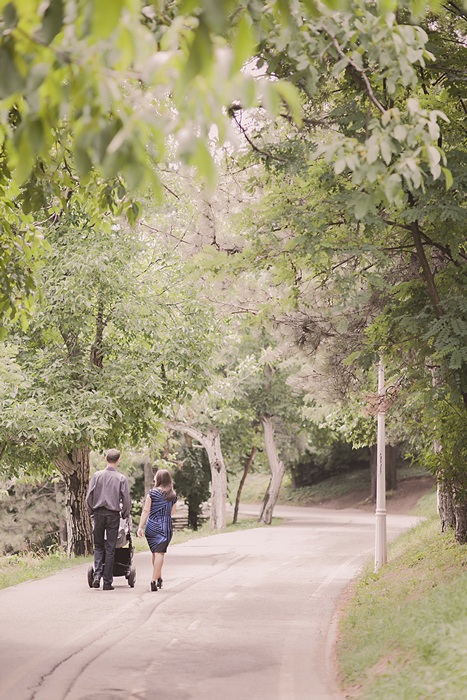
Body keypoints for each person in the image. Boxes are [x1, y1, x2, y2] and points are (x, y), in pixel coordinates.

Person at [86, 449, 131, 591]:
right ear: (118, 460)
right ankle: (107, 582)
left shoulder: (96, 476)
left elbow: (89, 496)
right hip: (113, 514)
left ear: (106, 459)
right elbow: (126, 499)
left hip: (99, 513)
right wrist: (124, 514)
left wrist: (91, 511)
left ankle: (97, 576)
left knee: (98, 546)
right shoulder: (121, 478)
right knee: (110, 548)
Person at [137, 469, 177, 592]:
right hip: (165, 526)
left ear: (159, 479)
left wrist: (140, 527)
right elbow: (172, 512)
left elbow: (146, 511)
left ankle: (158, 577)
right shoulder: (172, 495)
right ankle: (154, 580)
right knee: (160, 553)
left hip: (152, 525)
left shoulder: (152, 493)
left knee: (155, 552)